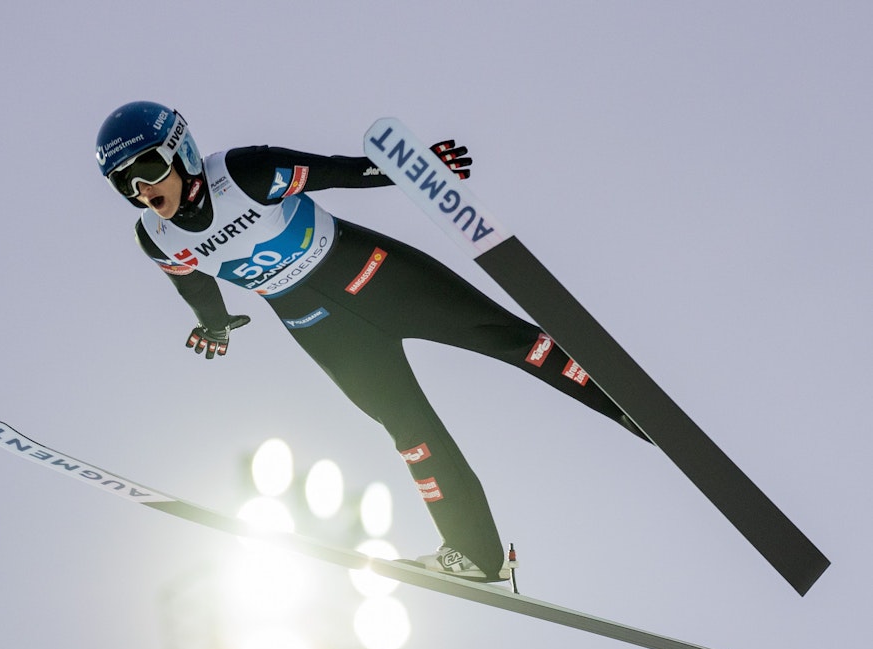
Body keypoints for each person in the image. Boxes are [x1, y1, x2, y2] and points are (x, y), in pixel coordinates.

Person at [95, 101, 644, 582]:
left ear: (180, 150)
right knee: (410, 434)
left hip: (376, 276)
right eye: (125, 183)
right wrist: (214, 326)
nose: (142, 190)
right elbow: (196, 287)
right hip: (319, 326)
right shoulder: (156, 238)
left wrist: (412, 170)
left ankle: (631, 409)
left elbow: (341, 172)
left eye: (147, 167)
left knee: (508, 339)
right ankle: (478, 555)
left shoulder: (244, 173)